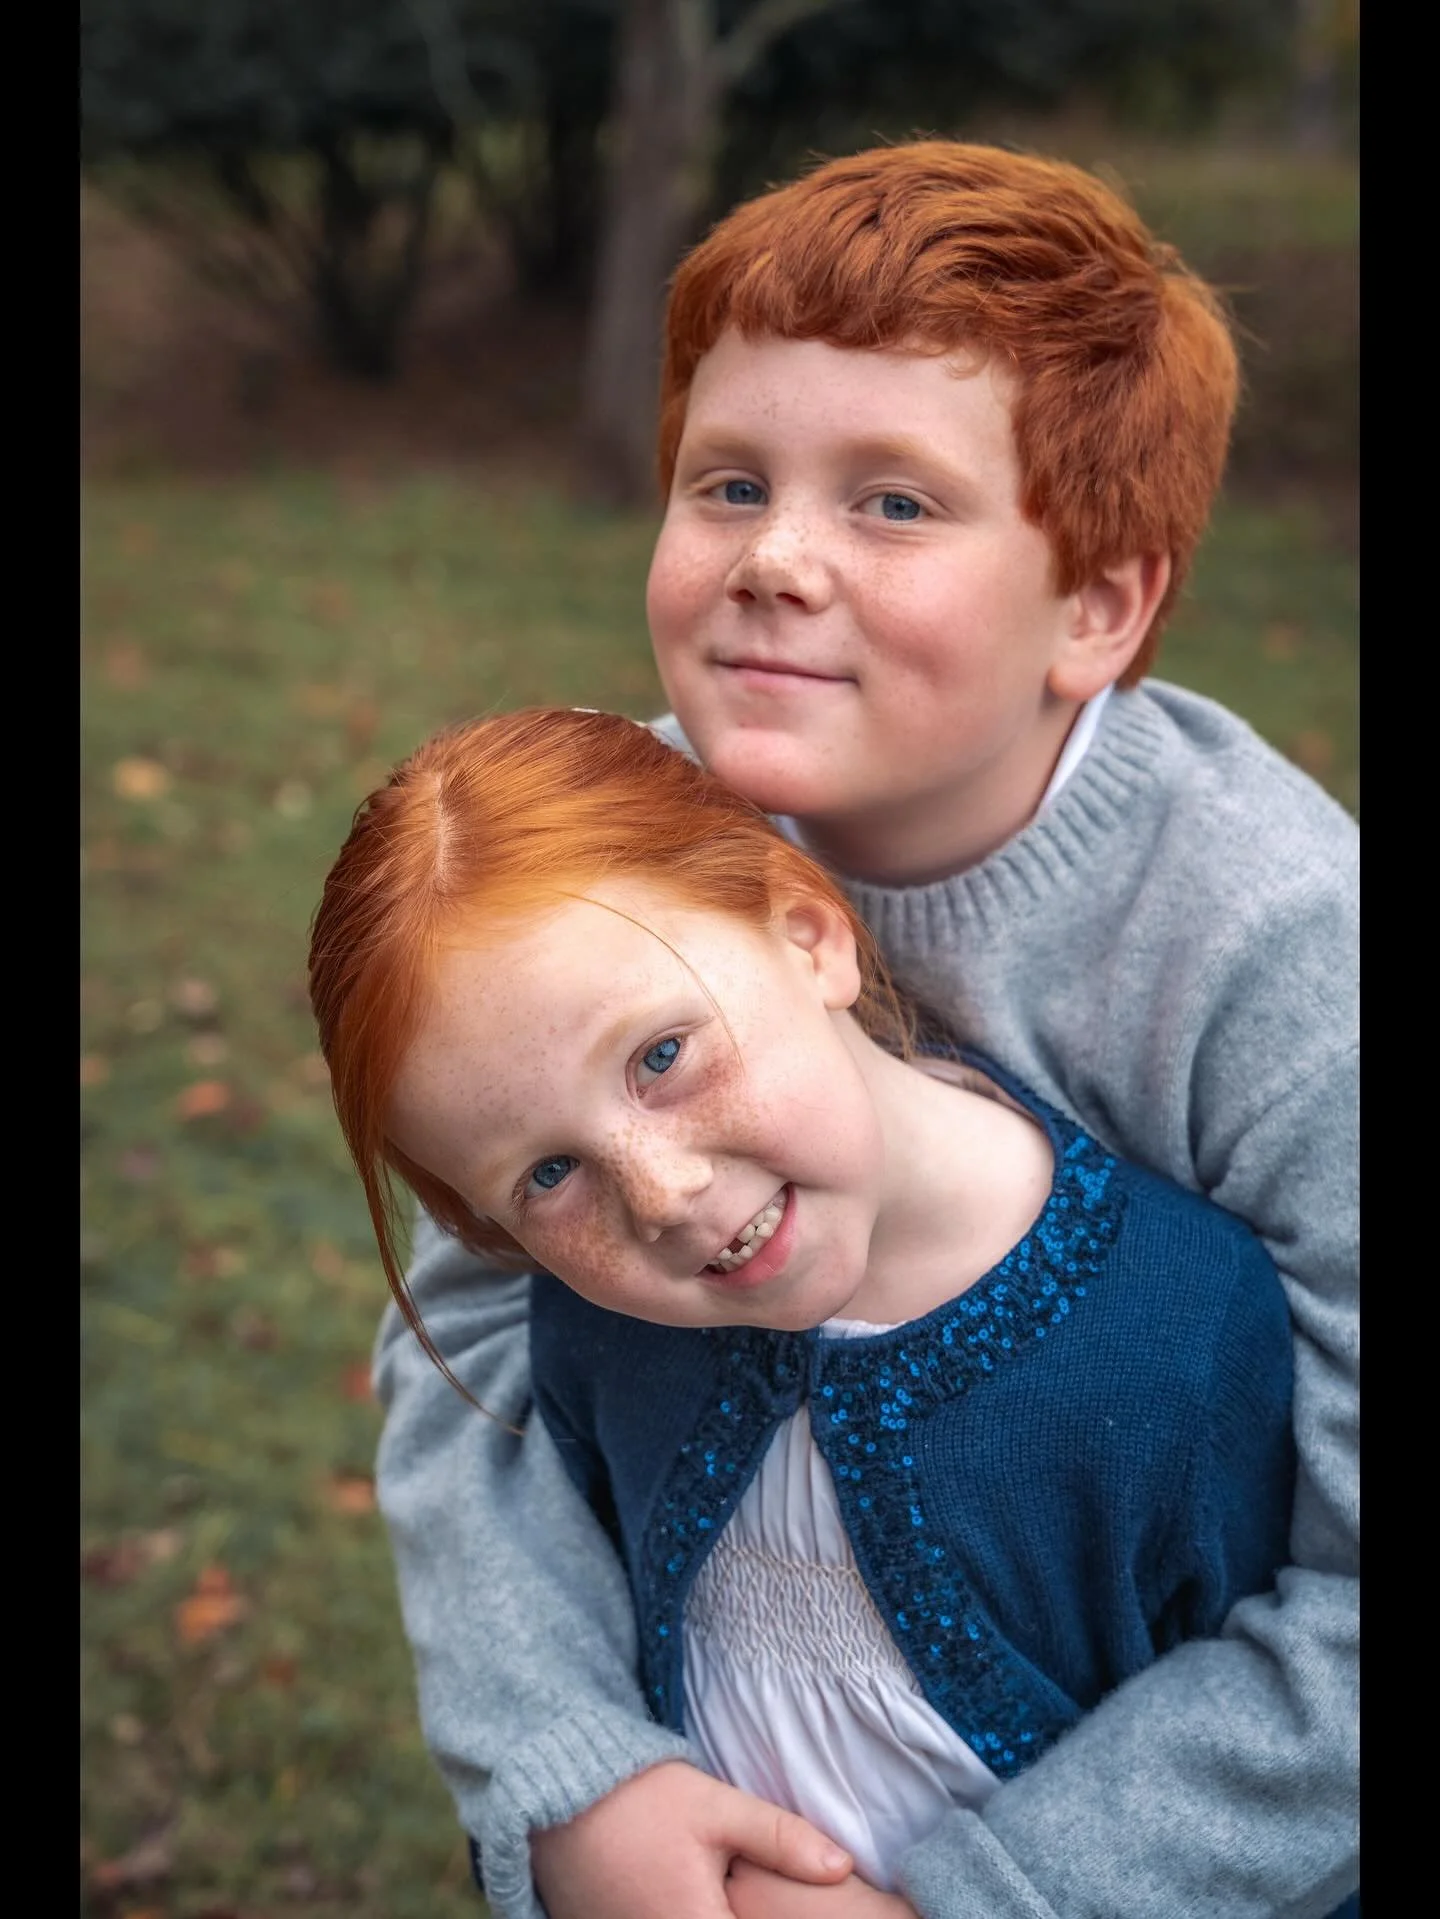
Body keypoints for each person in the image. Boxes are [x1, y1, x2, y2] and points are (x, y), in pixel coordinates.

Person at [365, 140, 1359, 1919]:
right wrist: (568, 1768)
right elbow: (464, 1348)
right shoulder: (629, 848)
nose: (777, 561)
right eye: (729, 481)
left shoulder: (1282, 954)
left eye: (893, 503)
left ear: (1099, 609)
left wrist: (996, 1892)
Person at [309, 703, 1304, 1910]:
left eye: (661, 1055)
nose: (664, 1195)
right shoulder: (587, 1329)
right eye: (549, 1175)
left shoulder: (1181, 1334)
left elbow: (1282, 1745)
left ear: (810, 933)